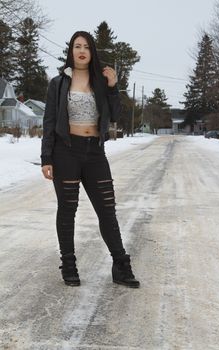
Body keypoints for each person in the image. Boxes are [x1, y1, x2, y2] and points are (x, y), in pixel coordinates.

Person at [41, 31, 140, 288]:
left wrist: (112, 86)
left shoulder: (100, 81)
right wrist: (46, 157)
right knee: (67, 210)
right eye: (77, 46)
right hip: (66, 152)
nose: (81, 50)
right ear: (71, 51)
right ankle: (69, 264)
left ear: (92, 52)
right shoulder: (59, 83)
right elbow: (49, 121)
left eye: (86, 46)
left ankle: (121, 265)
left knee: (107, 210)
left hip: (95, 152)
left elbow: (115, 115)